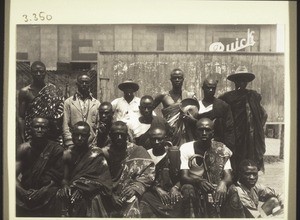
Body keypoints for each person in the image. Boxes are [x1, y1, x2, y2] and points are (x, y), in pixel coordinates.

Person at [56, 121, 112, 217]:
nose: (79, 138)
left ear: (89, 136)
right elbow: (65, 178)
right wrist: (65, 186)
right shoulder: (67, 154)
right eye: (76, 135)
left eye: (83, 136)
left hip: (93, 191)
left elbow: (103, 180)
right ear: (71, 135)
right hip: (73, 189)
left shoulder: (96, 153)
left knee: (88, 200)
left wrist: (82, 189)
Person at [180, 118, 233, 217]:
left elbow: (228, 175)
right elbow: (184, 176)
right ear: (196, 131)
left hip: (215, 185)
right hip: (195, 185)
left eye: (207, 130)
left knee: (233, 190)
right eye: (200, 130)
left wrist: (223, 183)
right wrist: (198, 181)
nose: (204, 133)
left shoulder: (221, 149)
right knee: (187, 189)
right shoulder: (185, 148)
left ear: (213, 132)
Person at [102, 121, 155, 217]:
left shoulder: (138, 150)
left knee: (135, 201)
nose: (119, 138)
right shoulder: (103, 153)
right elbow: (98, 177)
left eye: (122, 135)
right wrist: (110, 195)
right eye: (116, 135)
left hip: (129, 191)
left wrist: (136, 187)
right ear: (110, 135)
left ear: (127, 135)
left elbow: (149, 173)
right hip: (108, 192)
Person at [219, 66, 268, 172]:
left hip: (249, 137)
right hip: (234, 135)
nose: (241, 82)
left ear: (247, 82)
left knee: (249, 160)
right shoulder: (228, 97)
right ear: (235, 82)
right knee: (234, 160)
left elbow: (263, 114)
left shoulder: (253, 96)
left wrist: (257, 128)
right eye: (239, 80)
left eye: (244, 80)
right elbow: (221, 115)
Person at [16, 117, 64, 217]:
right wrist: (23, 192)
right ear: (30, 129)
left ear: (48, 129)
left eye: (43, 127)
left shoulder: (56, 149)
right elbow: (11, 176)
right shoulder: (23, 149)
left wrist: (43, 191)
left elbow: (58, 177)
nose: (39, 130)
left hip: (47, 190)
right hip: (26, 190)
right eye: (36, 127)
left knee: (57, 193)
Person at [140, 127, 183, 217]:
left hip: (172, 191)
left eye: (159, 139)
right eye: (153, 139)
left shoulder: (173, 153)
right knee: (145, 197)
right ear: (149, 139)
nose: (156, 142)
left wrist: (175, 188)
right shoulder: (146, 155)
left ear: (165, 139)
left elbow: (182, 175)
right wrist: (157, 189)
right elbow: (143, 178)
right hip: (154, 192)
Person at [18, 61, 64, 144]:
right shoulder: (25, 92)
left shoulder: (53, 90)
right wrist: (23, 137)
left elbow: (60, 114)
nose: (38, 74)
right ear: (31, 73)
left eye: (41, 71)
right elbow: (21, 117)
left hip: (51, 133)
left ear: (45, 72)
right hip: (32, 134)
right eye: (35, 72)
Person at [197, 76, 235, 169]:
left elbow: (229, 128)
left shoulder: (222, 106)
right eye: (208, 87)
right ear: (203, 88)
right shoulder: (196, 106)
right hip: (199, 145)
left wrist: (227, 147)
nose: (210, 90)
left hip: (217, 146)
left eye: (213, 88)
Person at [153, 68, 197, 146]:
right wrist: (159, 121)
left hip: (185, 133)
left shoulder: (190, 96)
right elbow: (149, 108)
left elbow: (196, 118)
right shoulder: (163, 96)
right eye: (174, 78)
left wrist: (189, 118)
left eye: (179, 78)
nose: (177, 80)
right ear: (171, 80)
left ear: (183, 79)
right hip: (169, 132)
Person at [63, 73, 100, 149]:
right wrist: (69, 143)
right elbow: (65, 125)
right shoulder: (69, 102)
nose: (84, 84)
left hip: (91, 145)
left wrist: (94, 143)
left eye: (86, 82)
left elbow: (98, 126)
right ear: (77, 84)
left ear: (90, 84)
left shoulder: (96, 103)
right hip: (74, 144)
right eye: (81, 82)